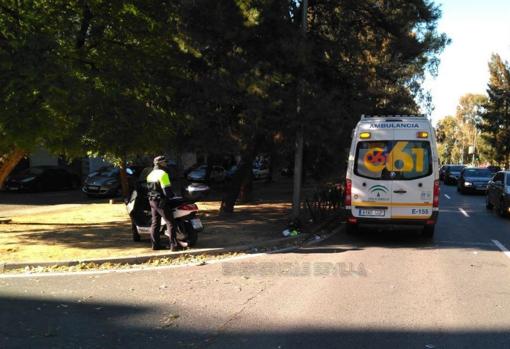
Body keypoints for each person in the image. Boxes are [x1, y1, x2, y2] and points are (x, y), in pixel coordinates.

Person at [146, 155, 179, 251]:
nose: (166, 163)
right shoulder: (163, 174)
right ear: (160, 164)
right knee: (170, 222)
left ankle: (155, 245)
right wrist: (173, 196)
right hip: (161, 201)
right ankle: (173, 246)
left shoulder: (150, 174)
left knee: (155, 223)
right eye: (165, 162)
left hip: (152, 201)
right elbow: (167, 191)